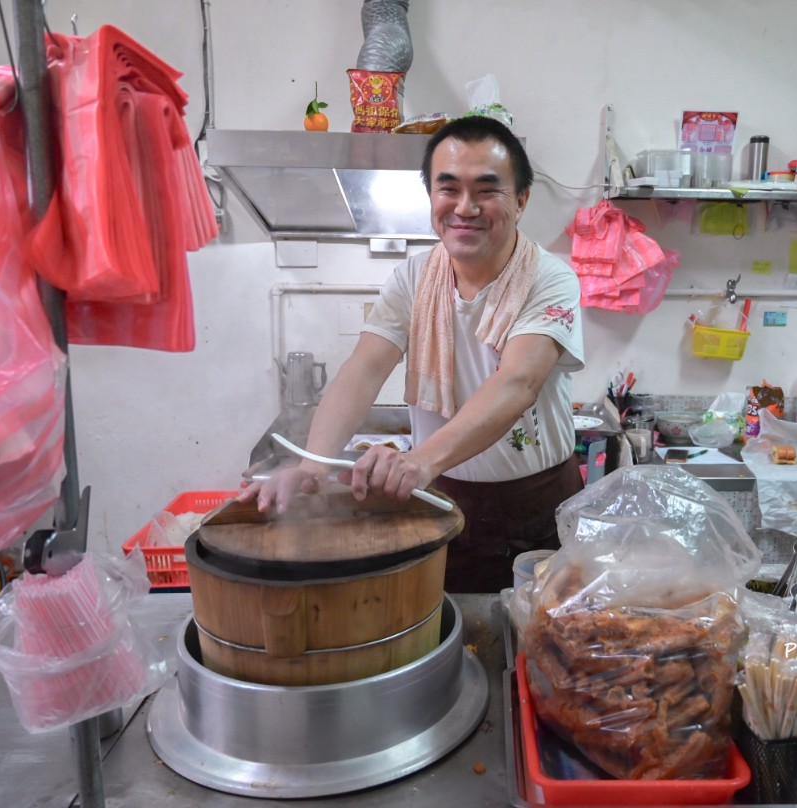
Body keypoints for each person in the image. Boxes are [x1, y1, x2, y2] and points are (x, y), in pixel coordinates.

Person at [238, 116, 585, 593]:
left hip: (537, 505)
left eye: (487, 190)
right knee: (455, 627)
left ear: (521, 200)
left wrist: (419, 462)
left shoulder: (551, 279)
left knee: (539, 641)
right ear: (431, 197)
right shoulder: (414, 279)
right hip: (442, 499)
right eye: (449, 188)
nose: (465, 207)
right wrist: (313, 467)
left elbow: (518, 383)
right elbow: (364, 369)